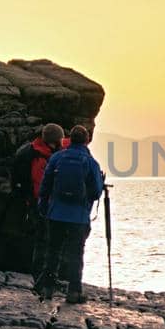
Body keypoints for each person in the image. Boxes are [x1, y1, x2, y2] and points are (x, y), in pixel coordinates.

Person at [36, 124, 105, 303]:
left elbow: (45, 185)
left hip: (56, 213)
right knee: (76, 254)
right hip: (79, 217)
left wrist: (43, 206)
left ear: (69, 139)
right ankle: (74, 292)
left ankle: (47, 288)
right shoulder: (90, 162)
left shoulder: (57, 158)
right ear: (87, 141)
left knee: (53, 251)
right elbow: (97, 191)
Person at [10, 123, 65, 284]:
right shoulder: (40, 156)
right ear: (53, 141)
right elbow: (39, 183)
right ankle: (41, 277)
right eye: (60, 140)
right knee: (45, 241)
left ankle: (42, 275)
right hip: (41, 204)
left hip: (33, 201)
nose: (62, 143)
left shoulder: (33, 149)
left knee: (42, 240)